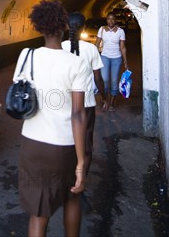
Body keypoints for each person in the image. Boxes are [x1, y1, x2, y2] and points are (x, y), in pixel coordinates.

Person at [14, 0, 90, 237]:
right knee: (73, 198)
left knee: (38, 214)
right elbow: (78, 114)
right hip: (65, 147)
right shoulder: (77, 64)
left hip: (32, 143)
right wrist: (80, 162)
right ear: (64, 28)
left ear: (39, 27)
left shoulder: (26, 57)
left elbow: (20, 90)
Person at [62, 12, 108, 213]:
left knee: (65, 143)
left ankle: (63, 185)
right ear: (83, 27)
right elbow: (98, 78)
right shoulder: (90, 49)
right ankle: (78, 189)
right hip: (86, 105)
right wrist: (104, 97)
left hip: (63, 103)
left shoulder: (60, 47)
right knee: (86, 147)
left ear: (67, 26)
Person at [95, 11, 129, 112]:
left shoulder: (120, 31)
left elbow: (123, 47)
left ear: (115, 20)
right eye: (109, 19)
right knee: (104, 79)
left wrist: (125, 61)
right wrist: (94, 57)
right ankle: (104, 100)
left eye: (113, 19)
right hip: (104, 56)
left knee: (114, 80)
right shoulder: (101, 29)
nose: (111, 21)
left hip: (116, 58)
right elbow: (97, 44)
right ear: (106, 20)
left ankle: (112, 102)